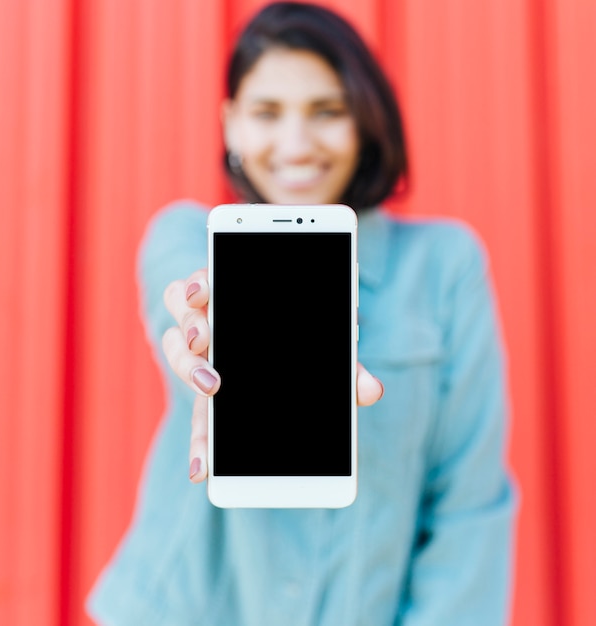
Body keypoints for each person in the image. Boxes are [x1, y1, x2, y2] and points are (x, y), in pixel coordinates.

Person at [87, 2, 516, 624]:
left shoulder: (445, 265)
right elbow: (184, 295)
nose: (295, 145)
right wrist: (212, 325)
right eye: (266, 113)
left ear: (366, 122)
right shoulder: (185, 237)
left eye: (327, 112)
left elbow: (468, 504)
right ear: (230, 124)